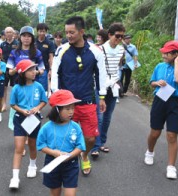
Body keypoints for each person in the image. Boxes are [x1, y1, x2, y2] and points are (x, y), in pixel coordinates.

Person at [51, 16, 107, 176]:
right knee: (66, 136)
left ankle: (84, 154)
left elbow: (101, 75)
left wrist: (102, 96)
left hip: (87, 100)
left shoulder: (95, 51)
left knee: (90, 139)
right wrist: (56, 95)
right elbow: (54, 73)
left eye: (72, 32)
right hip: (67, 103)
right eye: (66, 32)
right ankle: (66, 162)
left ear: (82, 32)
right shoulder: (61, 50)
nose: (68, 36)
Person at [144, 40, 178, 180]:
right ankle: (150, 152)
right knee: (155, 132)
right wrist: (157, 83)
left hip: (175, 103)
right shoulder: (160, 66)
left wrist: (177, 63)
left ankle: (171, 166)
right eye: (164, 52)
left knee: (172, 135)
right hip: (160, 100)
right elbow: (152, 82)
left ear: (176, 54)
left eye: (167, 53)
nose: (164, 55)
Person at [37, 89, 86, 196]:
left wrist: (70, 156)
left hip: (71, 163)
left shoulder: (75, 127)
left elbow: (80, 146)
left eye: (73, 108)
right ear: (57, 110)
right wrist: (53, 152)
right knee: (55, 192)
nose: (71, 111)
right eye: (67, 108)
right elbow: (41, 145)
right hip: (52, 161)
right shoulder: (47, 128)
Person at [8, 59, 48, 189]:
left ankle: (32, 164)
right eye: (30, 70)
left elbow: (44, 101)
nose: (34, 72)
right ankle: (15, 177)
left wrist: (37, 108)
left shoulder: (39, 86)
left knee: (32, 144)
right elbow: (13, 104)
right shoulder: (16, 88)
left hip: (34, 119)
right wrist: (22, 110)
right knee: (19, 148)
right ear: (22, 73)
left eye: (34, 69)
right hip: (20, 119)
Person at [91, 23, 125, 157]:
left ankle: (102, 142)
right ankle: (95, 146)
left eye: (122, 36)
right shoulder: (98, 49)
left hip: (113, 85)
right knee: (98, 116)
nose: (119, 39)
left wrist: (115, 80)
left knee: (108, 117)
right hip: (100, 86)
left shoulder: (121, 50)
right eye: (117, 36)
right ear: (110, 35)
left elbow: (117, 66)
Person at [0, 27, 19, 112]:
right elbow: (0, 56)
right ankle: (4, 104)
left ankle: (14, 104)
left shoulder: (18, 43)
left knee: (15, 87)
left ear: (13, 33)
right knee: (4, 87)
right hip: (5, 68)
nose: (8, 34)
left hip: (14, 68)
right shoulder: (2, 44)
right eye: (7, 32)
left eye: (10, 32)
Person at [35, 23, 55, 97]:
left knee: (42, 88)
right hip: (32, 68)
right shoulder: (33, 41)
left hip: (44, 68)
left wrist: (51, 69)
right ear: (37, 31)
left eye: (43, 31)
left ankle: (40, 106)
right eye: (40, 31)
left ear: (46, 32)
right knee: (32, 87)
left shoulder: (49, 43)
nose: (42, 33)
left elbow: (51, 57)